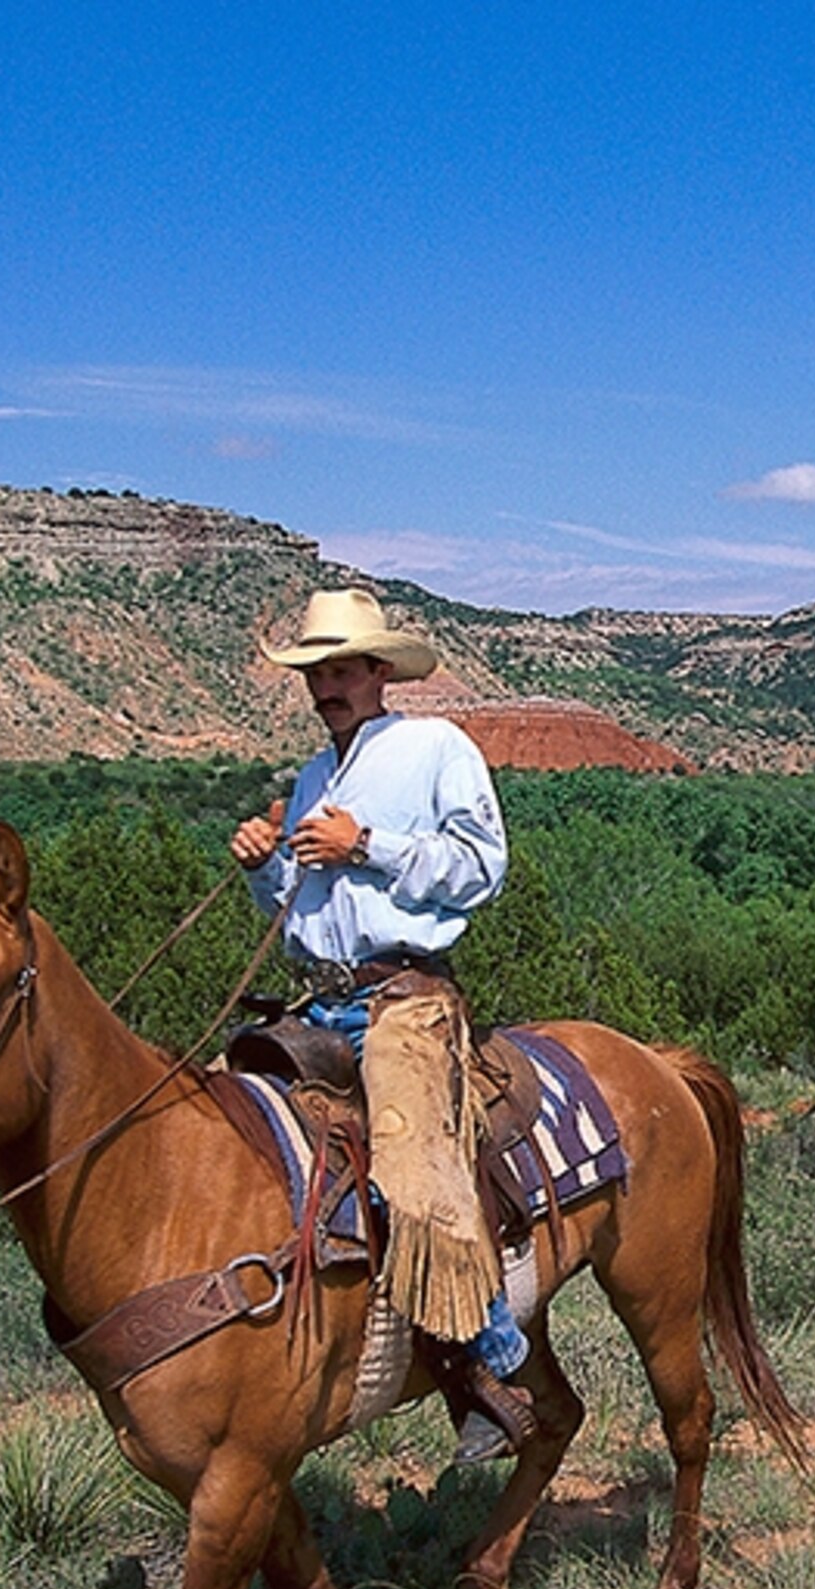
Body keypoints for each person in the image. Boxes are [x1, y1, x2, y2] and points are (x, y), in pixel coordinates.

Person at [230, 585, 537, 1457]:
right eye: (315, 671)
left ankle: (488, 1360)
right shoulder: (312, 776)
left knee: (411, 1157)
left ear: (377, 671)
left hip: (404, 998)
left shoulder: (436, 746)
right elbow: (294, 908)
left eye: (340, 668)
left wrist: (369, 844)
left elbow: (482, 868)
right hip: (315, 995)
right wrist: (263, 862)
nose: (325, 685)